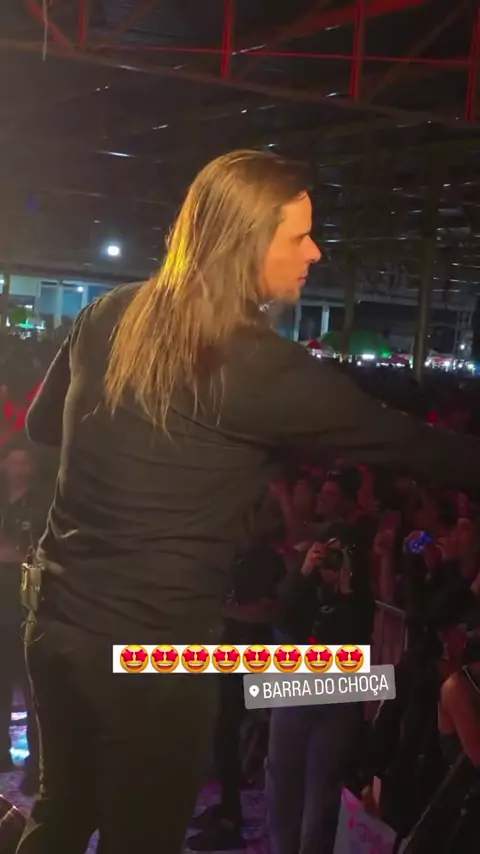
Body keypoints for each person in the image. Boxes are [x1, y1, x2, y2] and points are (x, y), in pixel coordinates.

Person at [16, 148, 480, 854]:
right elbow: (420, 448)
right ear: (247, 242)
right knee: (142, 839)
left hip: (56, 622)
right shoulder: (261, 366)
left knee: (60, 812)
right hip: (149, 651)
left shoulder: (110, 313)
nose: (316, 253)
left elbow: (42, 428)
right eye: (300, 236)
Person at [0, 442, 44, 793]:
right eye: (12, 462)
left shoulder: (42, 504)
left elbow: (40, 553)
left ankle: (36, 765)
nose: (18, 469)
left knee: (33, 690)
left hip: (29, 606)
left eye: (23, 462)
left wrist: (13, 554)